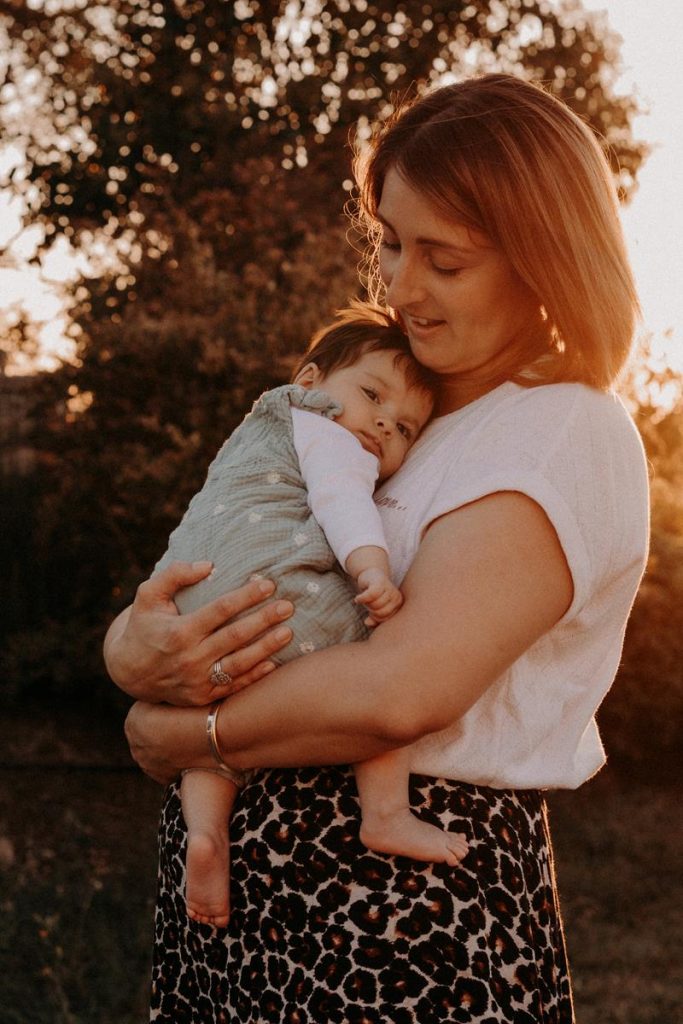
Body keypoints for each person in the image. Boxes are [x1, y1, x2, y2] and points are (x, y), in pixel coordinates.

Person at [105, 73, 649, 1023]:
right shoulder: (391, 411)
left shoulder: (563, 430)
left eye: (443, 258)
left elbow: (401, 689)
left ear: (544, 260)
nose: (400, 288)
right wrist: (133, 648)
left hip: (399, 911)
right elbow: (238, 550)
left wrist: (184, 734)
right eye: (391, 245)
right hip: (252, 889)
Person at [152, 305, 463, 928]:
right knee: (383, 659)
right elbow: (341, 499)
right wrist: (372, 570)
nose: (381, 422)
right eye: (372, 394)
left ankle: (206, 834)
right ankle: (386, 814)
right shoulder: (321, 428)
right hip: (275, 599)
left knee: (205, 738)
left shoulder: (256, 430)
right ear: (311, 379)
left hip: (200, 608)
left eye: (404, 428)